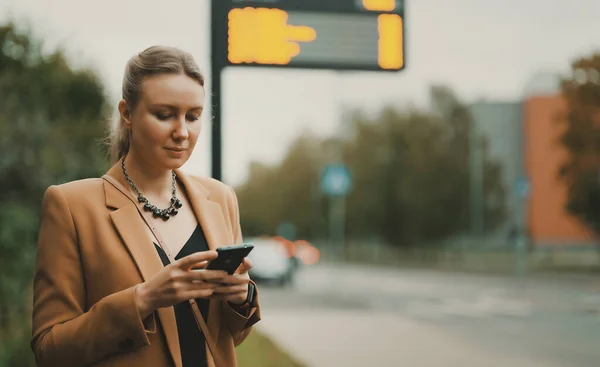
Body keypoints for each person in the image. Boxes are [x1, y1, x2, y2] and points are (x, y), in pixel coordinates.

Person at [31, 45, 260, 367]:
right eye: (164, 115)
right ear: (127, 113)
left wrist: (241, 298)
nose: (182, 132)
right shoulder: (71, 205)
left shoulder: (219, 198)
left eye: (193, 117)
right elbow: (49, 350)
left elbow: (230, 337)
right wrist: (143, 299)